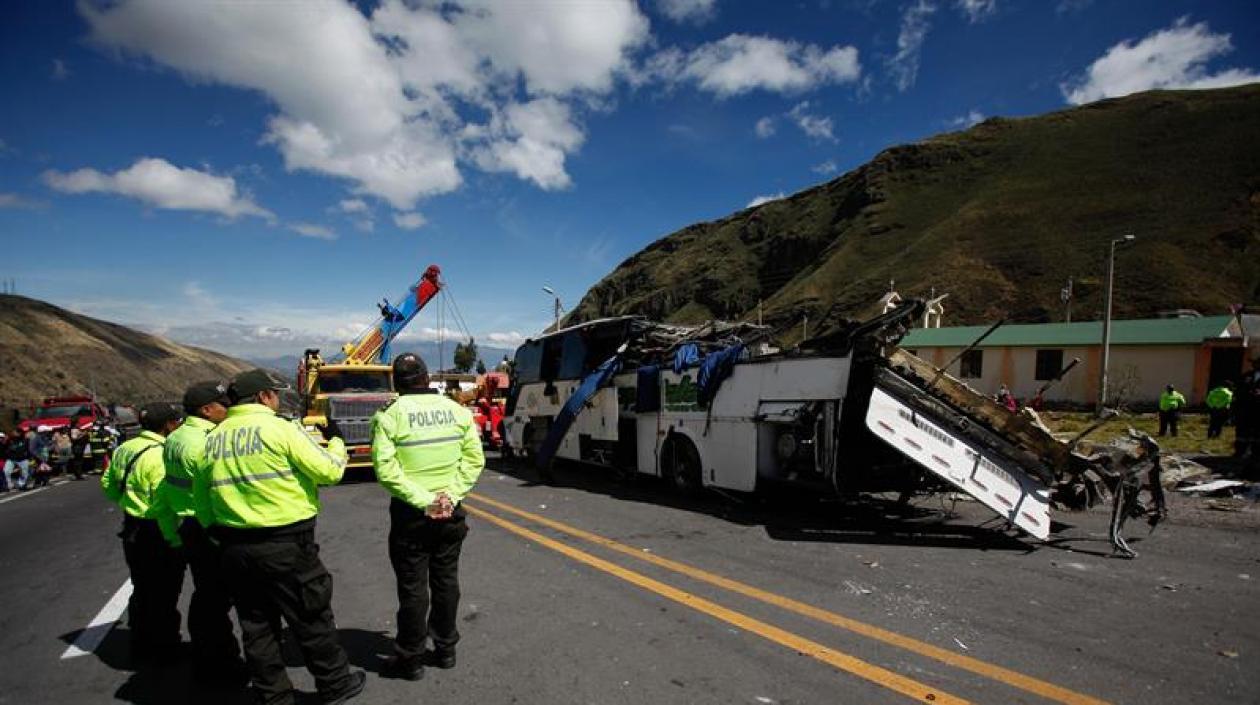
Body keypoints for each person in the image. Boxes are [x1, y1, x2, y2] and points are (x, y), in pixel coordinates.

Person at [200, 368, 365, 705]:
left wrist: (220, 537)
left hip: (234, 547)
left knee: (256, 625)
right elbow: (329, 472)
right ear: (262, 396)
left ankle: (273, 695)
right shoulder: (280, 428)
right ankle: (334, 684)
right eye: (274, 393)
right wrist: (336, 440)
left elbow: (203, 501)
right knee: (311, 615)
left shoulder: (212, 439)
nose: (277, 399)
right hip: (286, 545)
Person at [372, 352, 485, 680]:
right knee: (446, 580)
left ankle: (411, 659)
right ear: (427, 379)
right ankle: (446, 649)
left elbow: (386, 471)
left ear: (397, 382)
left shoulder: (389, 416)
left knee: (412, 587)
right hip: (450, 513)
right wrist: (449, 497)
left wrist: (425, 501)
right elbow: (474, 460)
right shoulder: (456, 411)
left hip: (412, 516)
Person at [155, 380, 244, 686]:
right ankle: (219, 666)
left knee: (207, 597)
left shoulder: (176, 437)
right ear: (207, 410)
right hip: (208, 526)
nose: (228, 409)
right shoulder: (203, 442)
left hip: (189, 524)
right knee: (217, 601)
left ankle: (211, 659)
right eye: (223, 404)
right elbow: (216, 489)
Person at [101, 402, 186, 663]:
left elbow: (108, 484)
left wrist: (129, 504)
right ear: (168, 425)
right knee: (164, 594)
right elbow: (162, 506)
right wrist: (173, 539)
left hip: (132, 528)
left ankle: (140, 643)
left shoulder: (125, 449)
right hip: (156, 532)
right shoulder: (160, 455)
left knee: (142, 588)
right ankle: (165, 649)